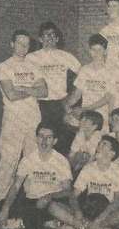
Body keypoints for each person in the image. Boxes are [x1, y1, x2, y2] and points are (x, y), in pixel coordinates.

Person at [0, 29, 47, 211]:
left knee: (33, 158)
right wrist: (32, 89)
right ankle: (2, 199)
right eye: (19, 43)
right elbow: (11, 94)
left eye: (26, 44)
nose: (23, 47)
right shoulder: (4, 67)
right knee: (9, 160)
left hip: (33, 118)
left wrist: (22, 89)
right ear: (12, 44)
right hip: (13, 120)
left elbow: (44, 91)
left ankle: (31, 197)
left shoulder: (34, 65)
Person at [49, 135, 119, 229]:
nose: (98, 146)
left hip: (106, 212)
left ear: (112, 153)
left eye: (104, 144)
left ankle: (82, 228)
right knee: (53, 206)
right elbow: (74, 195)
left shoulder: (118, 170)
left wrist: (98, 220)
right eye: (99, 144)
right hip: (88, 209)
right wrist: (77, 212)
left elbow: (117, 201)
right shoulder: (88, 168)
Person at [0, 123, 72, 229]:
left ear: (55, 141)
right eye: (41, 136)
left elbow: (67, 190)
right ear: (36, 138)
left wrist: (49, 197)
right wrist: (5, 209)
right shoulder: (27, 159)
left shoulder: (61, 161)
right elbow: (16, 186)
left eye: (48, 138)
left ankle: (25, 222)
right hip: (32, 201)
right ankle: (47, 222)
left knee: (52, 209)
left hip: (51, 202)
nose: (44, 141)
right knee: (4, 203)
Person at [29, 21, 81, 153]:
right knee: (40, 139)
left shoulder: (65, 56)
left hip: (60, 104)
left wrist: (72, 96)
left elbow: (83, 75)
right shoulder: (31, 58)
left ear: (57, 38)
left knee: (60, 139)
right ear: (40, 39)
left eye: (53, 35)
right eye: (46, 35)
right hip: (39, 104)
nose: (50, 38)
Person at [65, 34, 113, 133]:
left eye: (99, 50)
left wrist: (86, 109)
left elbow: (108, 98)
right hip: (85, 117)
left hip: (101, 118)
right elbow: (77, 94)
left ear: (105, 51)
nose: (96, 53)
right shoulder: (84, 70)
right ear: (90, 51)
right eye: (93, 50)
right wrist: (67, 106)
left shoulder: (111, 71)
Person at [68, 110, 104, 175]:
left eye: (85, 120)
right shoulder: (80, 133)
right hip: (82, 166)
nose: (81, 122)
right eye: (81, 119)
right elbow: (71, 154)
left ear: (94, 126)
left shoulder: (98, 137)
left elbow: (93, 158)